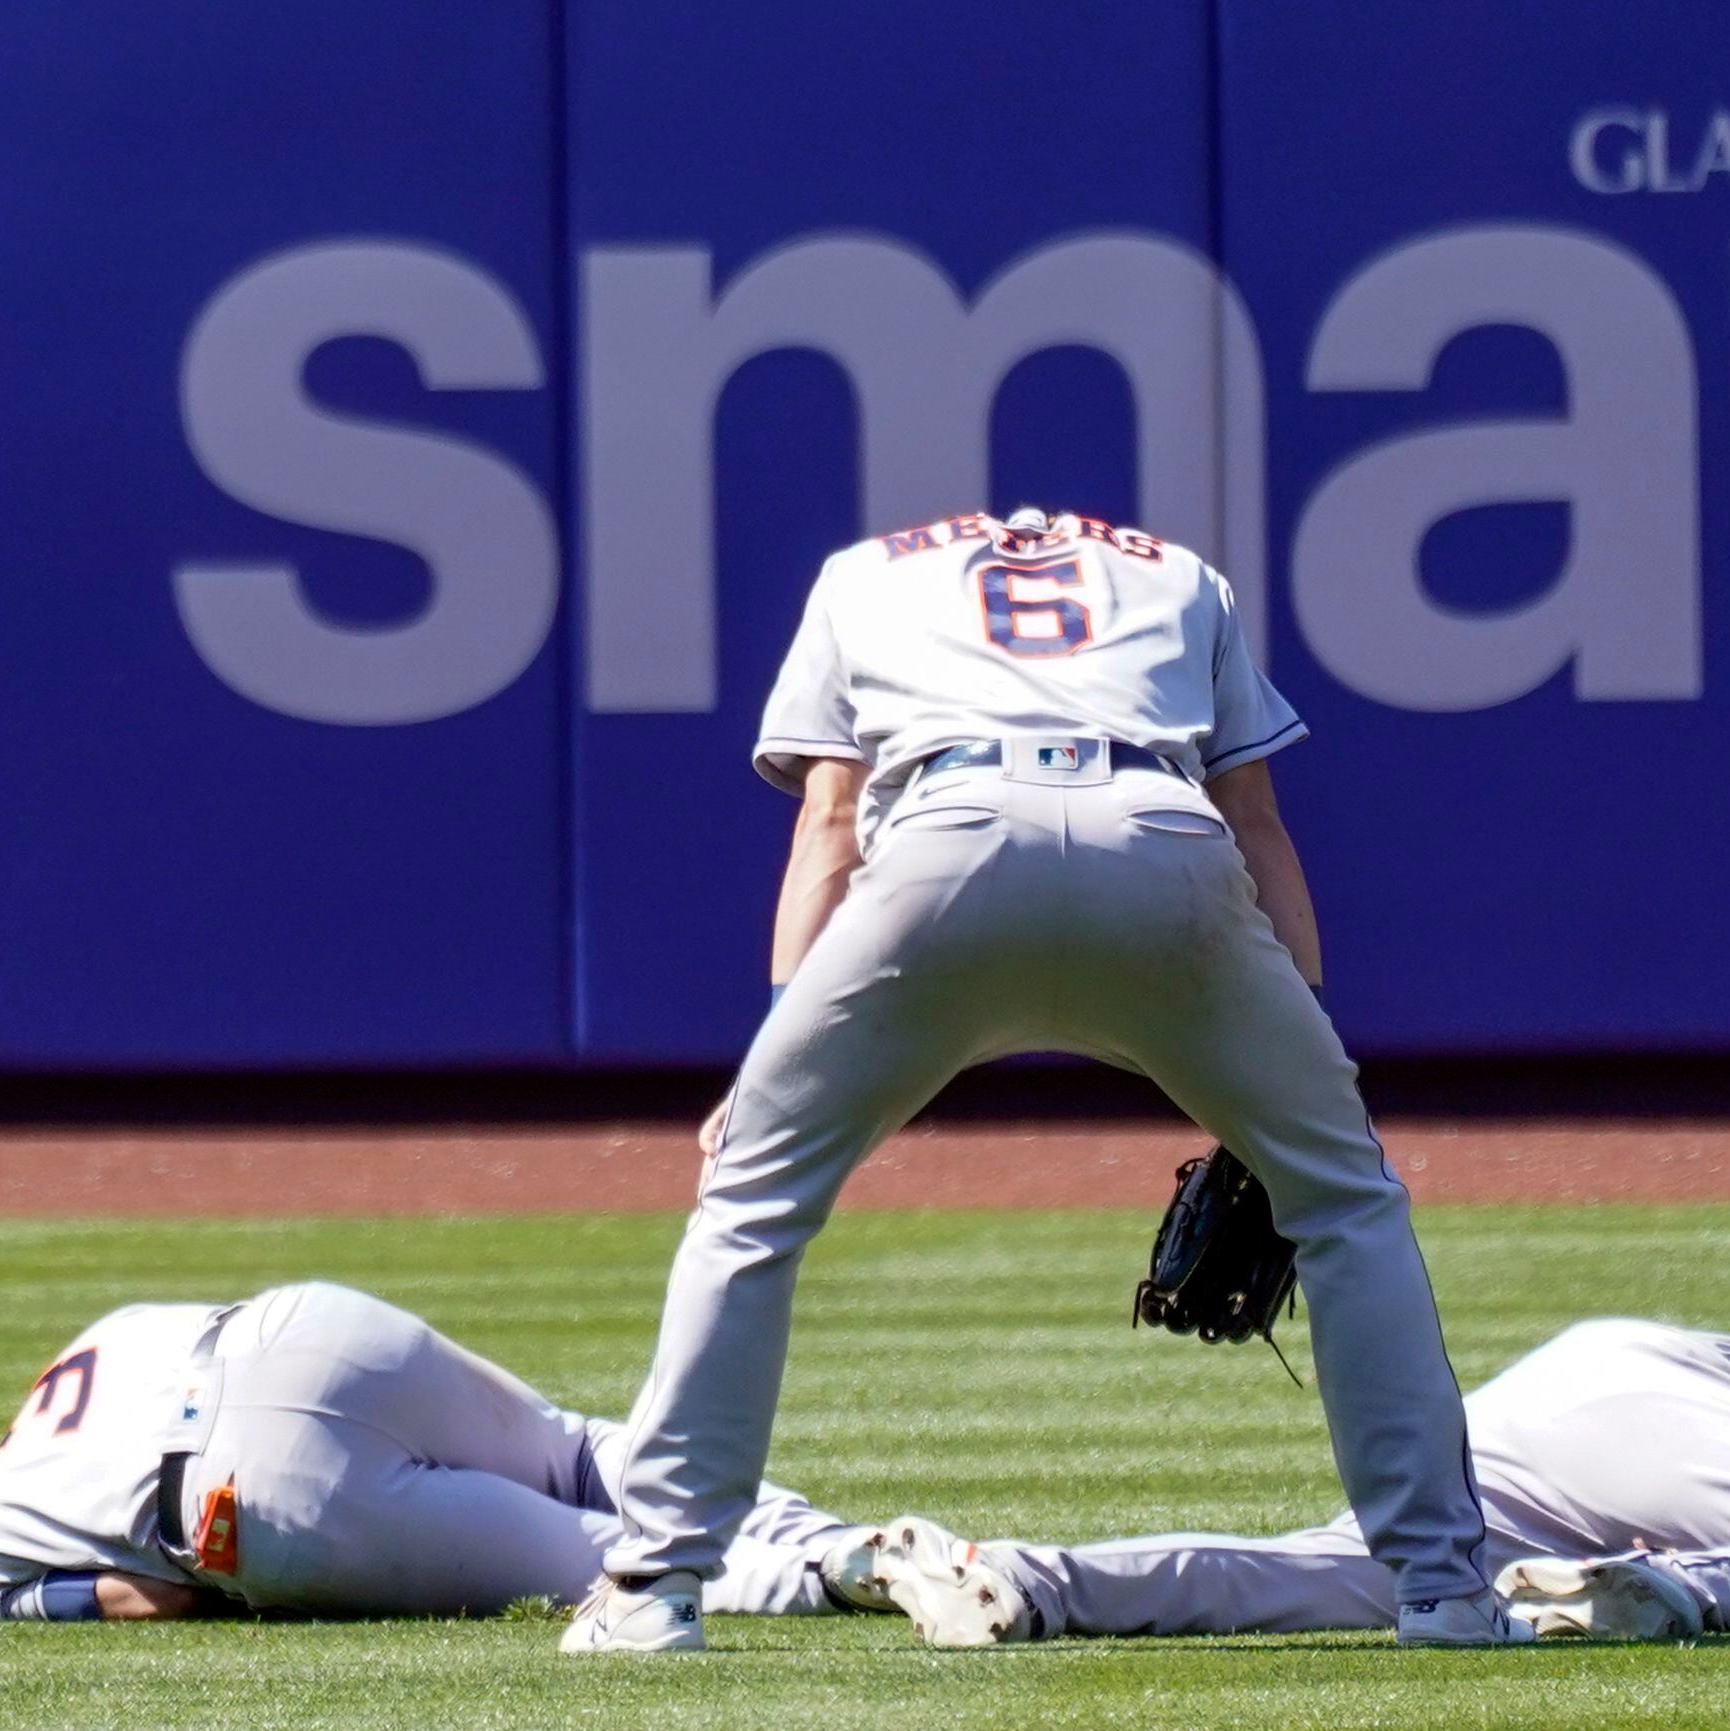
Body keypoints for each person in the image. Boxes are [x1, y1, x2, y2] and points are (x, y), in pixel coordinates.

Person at [564, 507, 1527, 1654]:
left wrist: (773, 1050)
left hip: (944, 844)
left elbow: (828, 822)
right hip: (1158, 835)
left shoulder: (863, 572)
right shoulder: (1179, 574)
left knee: (752, 1203)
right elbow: (1254, 822)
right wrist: (1308, 1063)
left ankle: (651, 1593)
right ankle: (1445, 1595)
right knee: (1345, 1204)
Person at [864, 1315, 1730, 1646]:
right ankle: (1658, 1597)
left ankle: (1023, 1578)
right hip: (1657, 1403)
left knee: (1337, 1577)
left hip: (1568, 1416)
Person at [0, 1282, 879, 1622]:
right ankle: (835, 1532)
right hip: (307, 1328)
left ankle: (844, 1573)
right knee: (582, 1450)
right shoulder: (102, 1331)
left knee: (604, 1564)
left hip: (249, 1492)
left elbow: (155, 1597)